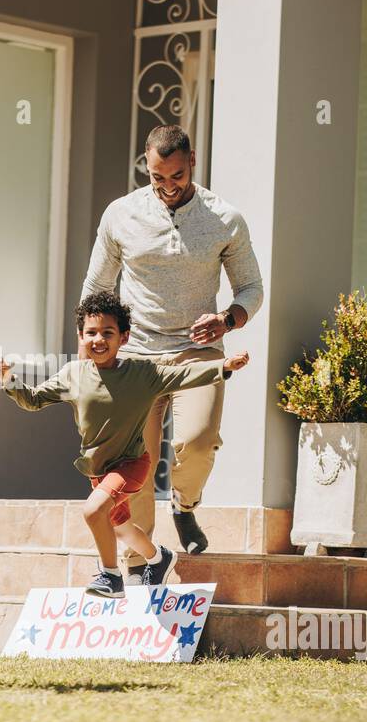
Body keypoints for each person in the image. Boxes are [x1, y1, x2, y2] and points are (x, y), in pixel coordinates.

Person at [82, 124, 263, 566]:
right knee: (135, 467)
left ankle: (185, 507)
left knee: (198, 441)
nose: (166, 187)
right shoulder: (120, 215)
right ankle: (142, 564)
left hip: (196, 354)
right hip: (136, 356)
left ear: (193, 162)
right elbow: (96, 287)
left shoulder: (225, 219)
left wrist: (225, 320)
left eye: (176, 176)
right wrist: (91, 360)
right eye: (156, 177)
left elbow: (251, 288)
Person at [0, 292, 249, 598]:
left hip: (131, 464)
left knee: (93, 511)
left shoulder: (141, 373)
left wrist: (224, 366)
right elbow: (33, 400)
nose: (98, 340)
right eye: (91, 333)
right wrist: (8, 378)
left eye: (108, 333)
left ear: (124, 337)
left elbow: (181, 374)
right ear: (80, 336)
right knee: (122, 528)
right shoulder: (73, 374)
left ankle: (111, 577)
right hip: (98, 471)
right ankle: (159, 557)